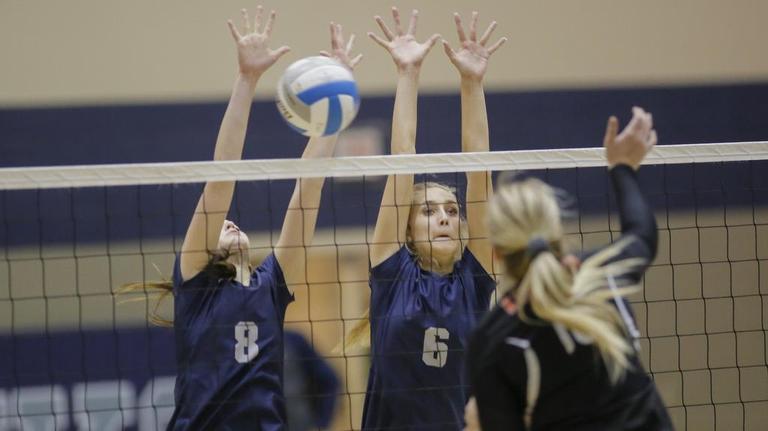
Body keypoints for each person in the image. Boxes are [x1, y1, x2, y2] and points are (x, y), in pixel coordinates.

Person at [121, 8, 361, 429]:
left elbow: (309, 187)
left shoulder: (272, 284)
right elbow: (221, 180)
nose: (229, 221)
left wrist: (331, 112)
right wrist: (246, 80)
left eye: (233, 221)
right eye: (221, 225)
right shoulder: (197, 285)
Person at [346, 8, 506, 430]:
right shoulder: (392, 274)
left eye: (451, 211)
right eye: (429, 211)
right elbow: (403, 159)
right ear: (408, 232)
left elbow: (479, 173)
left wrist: (472, 83)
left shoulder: (474, 281)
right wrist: (408, 74)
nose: (444, 219)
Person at [466, 107, 674, 430]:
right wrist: (622, 167)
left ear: (496, 254)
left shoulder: (491, 339)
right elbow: (642, 235)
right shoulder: (599, 274)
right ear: (557, 235)